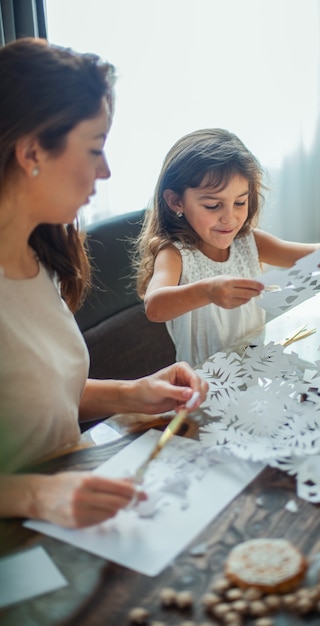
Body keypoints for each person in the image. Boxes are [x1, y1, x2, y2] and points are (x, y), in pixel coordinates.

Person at [0, 38, 207, 529]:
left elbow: (34, 396)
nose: (106, 170)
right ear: (31, 151)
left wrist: (133, 393)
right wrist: (36, 495)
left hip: (62, 510)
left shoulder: (36, 252)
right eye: (94, 149)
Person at [136, 128, 320, 367]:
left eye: (240, 202)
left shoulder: (249, 242)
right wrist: (208, 292)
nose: (230, 218)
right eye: (213, 206)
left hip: (253, 369)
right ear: (176, 201)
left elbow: (312, 255)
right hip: (202, 384)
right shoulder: (175, 254)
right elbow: (155, 307)